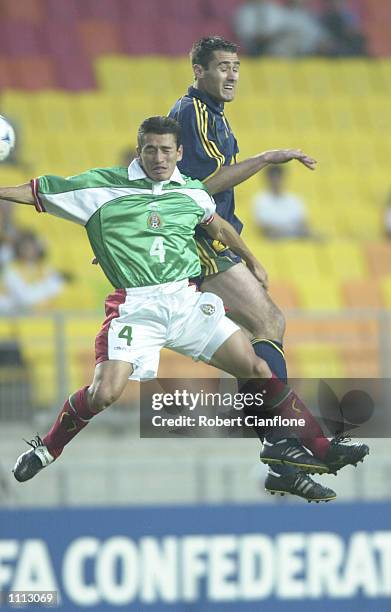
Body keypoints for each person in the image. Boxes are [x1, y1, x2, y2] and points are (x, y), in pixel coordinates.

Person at [3, 117, 368, 501]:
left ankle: (322, 448)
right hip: (136, 309)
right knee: (104, 393)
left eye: (166, 150)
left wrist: (253, 261)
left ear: (179, 153)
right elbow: (31, 192)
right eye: (150, 149)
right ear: (139, 150)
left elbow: (219, 227)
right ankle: (48, 448)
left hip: (188, 304)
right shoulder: (100, 189)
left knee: (257, 367)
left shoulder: (191, 192)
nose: (158, 157)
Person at [168, 36, 366, 499]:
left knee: (252, 353)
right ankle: (282, 443)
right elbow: (202, 190)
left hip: (212, 237)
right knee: (269, 322)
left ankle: (281, 454)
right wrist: (266, 158)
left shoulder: (213, 115)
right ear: (198, 71)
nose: (232, 74)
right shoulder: (193, 115)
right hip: (198, 240)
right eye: (222, 67)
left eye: (236, 66)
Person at [0, 229, 67, 314]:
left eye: (32, 245)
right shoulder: (11, 270)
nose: (30, 250)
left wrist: (40, 294)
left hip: (43, 314)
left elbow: (59, 289)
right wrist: (45, 293)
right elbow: (25, 299)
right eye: (25, 246)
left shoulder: (45, 268)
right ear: (18, 248)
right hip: (15, 317)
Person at [233, 0, 329, 57]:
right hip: (256, 46)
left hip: (276, 41)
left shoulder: (273, 8)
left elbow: (282, 27)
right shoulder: (244, 12)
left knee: (292, 37)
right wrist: (265, 36)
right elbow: (245, 34)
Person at [253, 165, 313, 239]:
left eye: (278, 178)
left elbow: (304, 224)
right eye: (273, 178)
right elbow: (264, 228)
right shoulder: (260, 200)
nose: (276, 181)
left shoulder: (294, 200)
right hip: (273, 242)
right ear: (267, 179)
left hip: (296, 239)